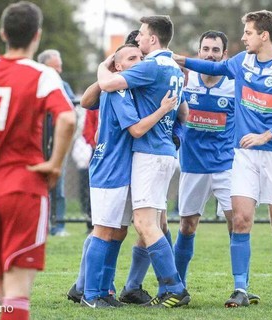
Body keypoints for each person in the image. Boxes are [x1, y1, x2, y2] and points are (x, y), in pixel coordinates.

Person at [174, 10, 272, 308]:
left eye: (248, 33)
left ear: (263, 35)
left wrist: (267, 135)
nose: (244, 38)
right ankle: (240, 288)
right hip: (243, 156)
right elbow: (209, 65)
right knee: (240, 220)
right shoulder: (242, 62)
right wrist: (180, 59)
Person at [0, 2, 76, 320]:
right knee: (17, 287)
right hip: (23, 187)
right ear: (37, 36)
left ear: (3, 33)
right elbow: (68, 119)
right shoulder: (41, 74)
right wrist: (55, 164)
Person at [75, 43, 178, 308]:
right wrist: (163, 110)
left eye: (141, 57)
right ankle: (90, 294)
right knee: (103, 230)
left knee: (116, 232)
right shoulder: (118, 90)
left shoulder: (131, 88)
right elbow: (135, 130)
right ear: (117, 66)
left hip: (123, 169)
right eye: (131, 58)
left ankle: (105, 293)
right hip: (110, 167)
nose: (139, 61)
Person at [98, 15, 190, 308]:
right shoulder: (175, 69)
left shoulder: (150, 66)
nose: (137, 39)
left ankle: (175, 288)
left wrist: (105, 64)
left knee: (144, 223)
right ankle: (145, 287)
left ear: (153, 39)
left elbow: (108, 84)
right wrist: (171, 128)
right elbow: (184, 113)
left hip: (149, 154)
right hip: (165, 151)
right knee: (157, 223)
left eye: (142, 36)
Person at [173, 30, 259, 305]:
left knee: (238, 223)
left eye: (215, 50)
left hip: (226, 165)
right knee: (187, 226)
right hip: (192, 165)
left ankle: (241, 287)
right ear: (199, 52)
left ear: (224, 55)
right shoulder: (186, 80)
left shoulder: (235, 82)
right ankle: (178, 285)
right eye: (205, 49)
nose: (209, 54)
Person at [37, 49, 76, 236]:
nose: (59, 71)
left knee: (58, 187)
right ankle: (40, 225)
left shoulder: (64, 86)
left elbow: (71, 113)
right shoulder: (35, 84)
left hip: (58, 143)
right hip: (38, 143)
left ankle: (58, 225)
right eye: (55, 67)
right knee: (37, 186)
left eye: (59, 67)